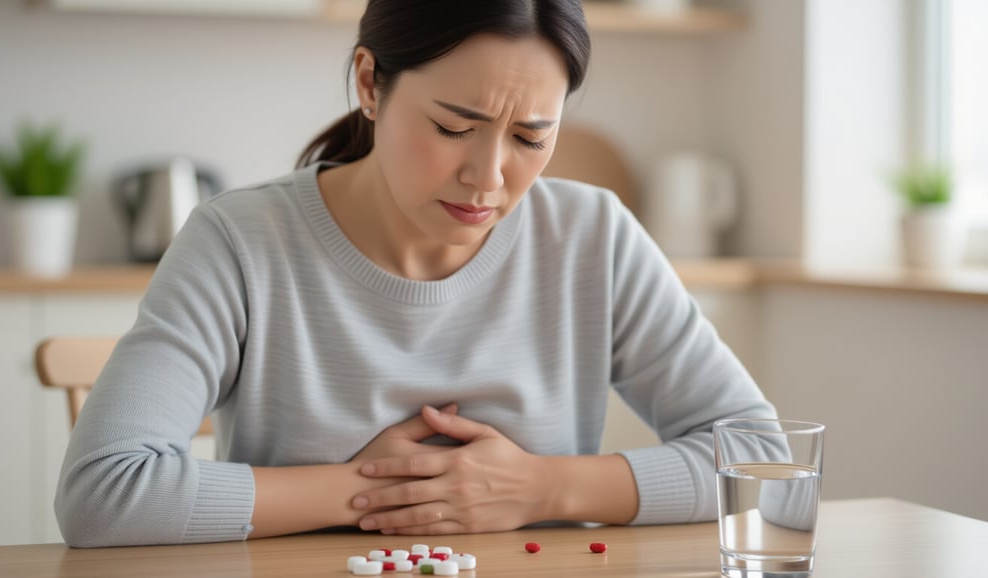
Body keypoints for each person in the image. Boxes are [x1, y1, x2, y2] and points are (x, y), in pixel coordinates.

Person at [55, 0, 776, 548]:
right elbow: (102, 490)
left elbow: (763, 462)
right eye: (453, 127)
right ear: (370, 83)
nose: (487, 177)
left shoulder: (594, 236)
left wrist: (538, 488)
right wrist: (366, 492)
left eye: (531, 136)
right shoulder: (240, 241)